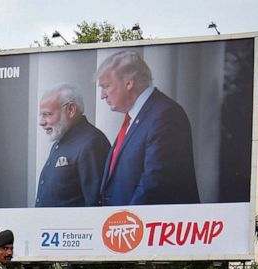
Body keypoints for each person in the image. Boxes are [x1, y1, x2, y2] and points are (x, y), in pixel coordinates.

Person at [96, 50, 199, 206]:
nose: (103, 95)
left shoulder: (165, 114)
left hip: (145, 226)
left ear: (129, 83)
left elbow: (155, 184)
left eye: (106, 86)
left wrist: (123, 223)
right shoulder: (137, 116)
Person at [35, 82, 111, 207]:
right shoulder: (62, 139)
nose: (41, 122)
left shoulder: (92, 143)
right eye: (41, 115)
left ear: (71, 109)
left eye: (47, 114)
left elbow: (95, 204)